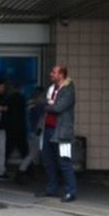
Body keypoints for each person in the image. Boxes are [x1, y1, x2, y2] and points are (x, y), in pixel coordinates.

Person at [38, 65, 77, 203]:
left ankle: (71, 192)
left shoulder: (68, 89)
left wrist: (48, 105)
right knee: (48, 161)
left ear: (61, 75)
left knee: (64, 162)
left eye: (53, 72)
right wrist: (50, 103)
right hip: (48, 129)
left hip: (61, 131)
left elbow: (59, 107)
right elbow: (41, 100)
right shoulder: (51, 88)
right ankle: (51, 189)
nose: (51, 74)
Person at [15, 87, 46, 184]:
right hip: (35, 132)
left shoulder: (30, 103)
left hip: (29, 132)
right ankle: (21, 172)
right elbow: (39, 120)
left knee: (32, 153)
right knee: (33, 154)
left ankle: (24, 171)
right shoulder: (39, 105)